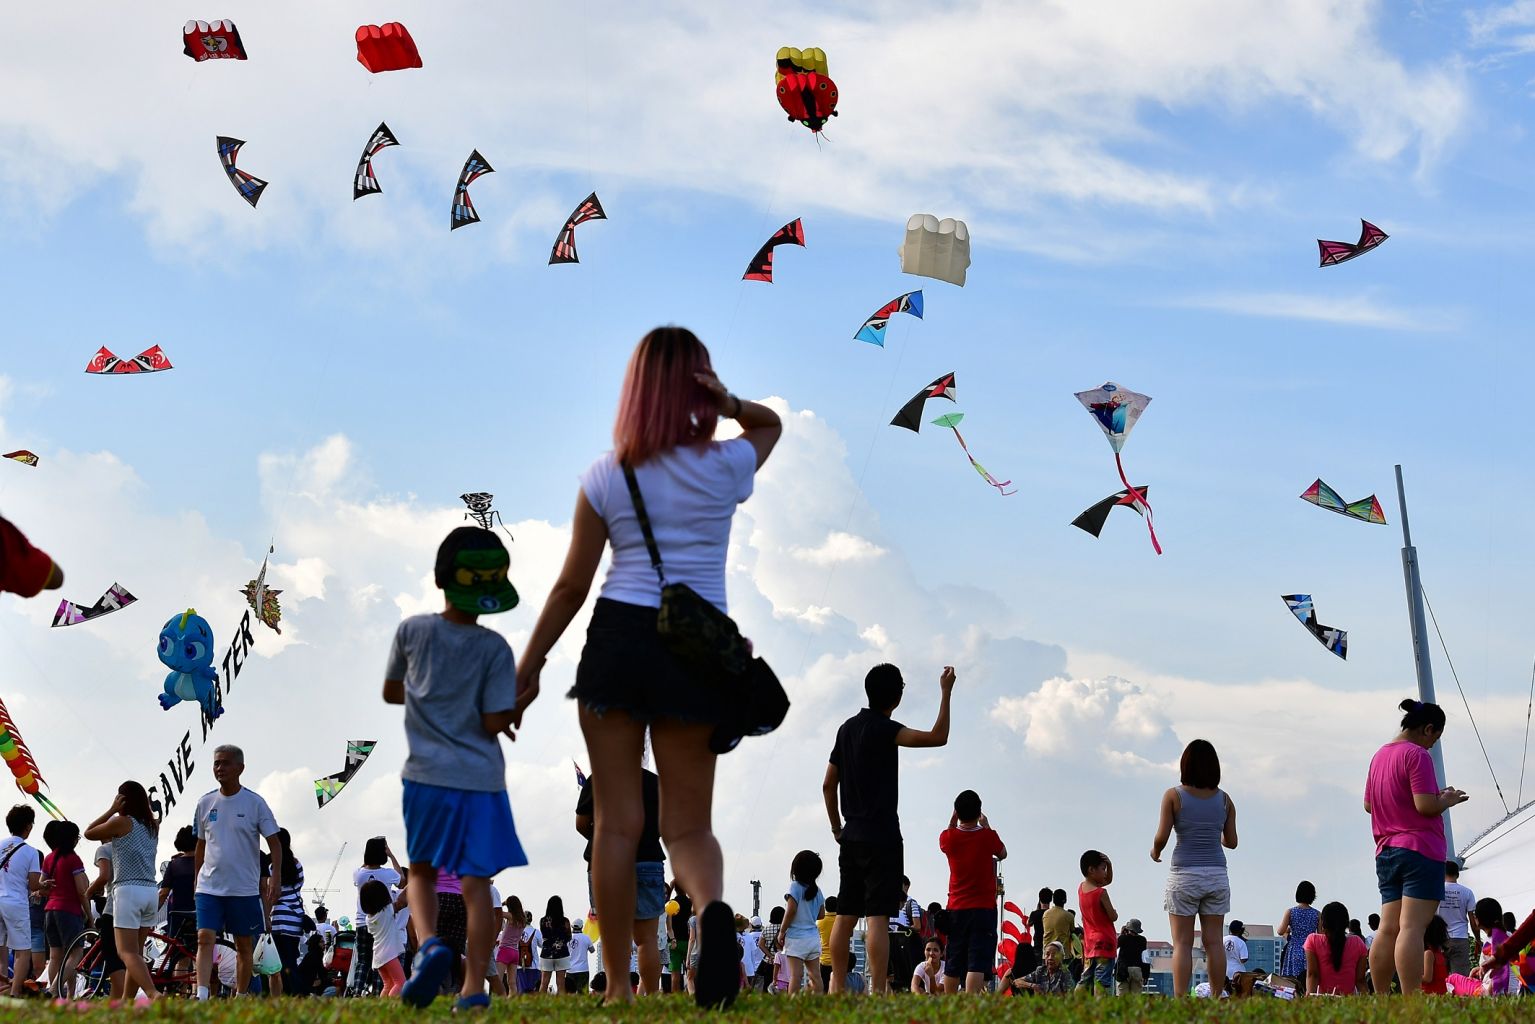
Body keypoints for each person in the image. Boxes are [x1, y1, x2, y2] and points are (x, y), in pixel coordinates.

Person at [516, 328, 781, 1010]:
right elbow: (769, 426)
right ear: (700, 387)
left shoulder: (608, 474)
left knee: (615, 824)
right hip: (697, 649)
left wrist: (531, 664)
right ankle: (710, 910)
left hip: (618, 641)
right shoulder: (724, 465)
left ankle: (615, 987)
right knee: (687, 827)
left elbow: (571, 587)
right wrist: (728, 404)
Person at [384, 526, 528, 1012]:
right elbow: (494, 720)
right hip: (481, 778)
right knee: (476, 884)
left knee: (422, 872)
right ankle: (472, 990)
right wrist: (519, 702)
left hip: (425, 772)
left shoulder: (412, 631)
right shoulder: (495, 648)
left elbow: (392, 691)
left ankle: (429, 946)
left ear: (440, 578)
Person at [823, 662, 955, 994]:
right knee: (878, 917)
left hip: (851, 834)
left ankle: (836, 987)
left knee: (846, 915)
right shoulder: (887, 729)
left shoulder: (846, 729)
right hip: (882, 835)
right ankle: (878, 991)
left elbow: (828, 784)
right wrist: (945, 692)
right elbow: (938, 737)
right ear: (897, 696)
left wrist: (837, 828)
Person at [1364, 699, 1467, 996]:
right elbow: (1425, 806)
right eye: (1435, 738)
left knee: (1388, 928)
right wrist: (1446, 799)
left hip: (1386, 850)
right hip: (1420, 850)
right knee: (1412, 928)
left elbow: (1369, 804)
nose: (1432, 745)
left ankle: (1381, 997)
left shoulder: (1380, 755)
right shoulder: (1416, 755)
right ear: (1428, 729)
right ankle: (1411, 999)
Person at [193, 744, 282, 1001]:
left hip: (243, 889)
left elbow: (275, 844)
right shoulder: (205, 803)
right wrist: (196, 879)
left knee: (244, 945)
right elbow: (200, 845)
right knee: (204, 938)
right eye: (216, 763)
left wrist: (275, 878)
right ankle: (201, 996)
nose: (219, 768)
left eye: (225, 763)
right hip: (209, 887)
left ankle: (241, 996)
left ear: (240, 768)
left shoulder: (255, 803)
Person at [1150, 738, 1237, 996]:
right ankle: (1217, 997)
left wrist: (1155, 851)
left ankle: (1181, 1001)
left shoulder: (1173, 796)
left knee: (1182, 944)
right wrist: (1214, 834)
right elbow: (1231, 842)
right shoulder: (1225, 800)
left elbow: (1162, 837)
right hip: (1216, 875)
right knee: (1214, 943)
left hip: (1184, 875)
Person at [575, 766, 666, 994]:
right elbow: (666, 824)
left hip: (606, 859)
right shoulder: (655, 782)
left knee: (613, 937)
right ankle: (652, 997)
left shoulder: (597, 779)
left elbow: (581, 824)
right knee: (647, 939)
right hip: (648, 860)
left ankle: (617, 994)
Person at [82, 782, 161, 1000]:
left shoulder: (121, 822)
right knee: (136, 954)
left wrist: (111, 810)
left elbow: (88, 833)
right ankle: (126, 1003)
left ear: (122, 800)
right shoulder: (152, 826)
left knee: (126, 952)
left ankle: (153, 993)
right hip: (150, 890)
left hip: (127, 890)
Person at [938, 790, 1005, 994]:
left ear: (957, 812)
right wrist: (987, 826)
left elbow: (947, 833)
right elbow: (1002, 853)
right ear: (979, 812)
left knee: (953, 959)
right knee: (976, 961)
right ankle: (970, 1003)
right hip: (984, 908)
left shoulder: (948, 838)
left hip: (956, 907)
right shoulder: (987, 836)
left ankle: (950, 1003)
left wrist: (952, 820)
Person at [41, 819, 93, 995]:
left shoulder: (49, 858)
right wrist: (90, 917)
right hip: (69, 911)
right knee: (75, 954)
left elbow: (42, 886)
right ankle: (54, 990)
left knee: (56, 956)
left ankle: (66, 995)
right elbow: (81, 891)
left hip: (50, 910)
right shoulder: (73, 859)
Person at [350, 836, 401, 995]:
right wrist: (391, 855)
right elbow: (402, 880)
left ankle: (357, 993)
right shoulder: (388, 874)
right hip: (383, 923)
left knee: (363, 961)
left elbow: (363, 867)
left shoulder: (358, 874)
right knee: (382, 960)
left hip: (362, 922)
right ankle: (379, 993)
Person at [0, 804, 42, 997]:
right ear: (28, 826)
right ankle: (15, 993)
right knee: (22, 951)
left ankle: (2, 990)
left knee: (1, 950)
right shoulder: (31, 852)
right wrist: (44, 886)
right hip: (15, 903)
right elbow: (34, 885)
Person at [777, 850, 825, 995]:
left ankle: (793, 1005)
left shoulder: (795, 886)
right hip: (813, 938)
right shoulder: (817, 891)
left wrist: (782, 931)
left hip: (796, 939)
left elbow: (791, 910)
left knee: (795, 976)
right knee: (815, 976)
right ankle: (818, 1002)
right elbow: (821, 915)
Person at [85, 837, 127, 999]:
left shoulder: (105, 849)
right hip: (140, 902)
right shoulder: (131, 847)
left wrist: (88, 892)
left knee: (113, 957)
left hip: (115, 905)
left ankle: (132, 996)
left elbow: (104, 876)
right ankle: (117, 1001)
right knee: (130, 955)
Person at [266, 828, 305, 997]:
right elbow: (299, 885)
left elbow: (272, 894)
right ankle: (296, 992)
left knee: (279, 961)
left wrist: (266, 915)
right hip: (295, 919)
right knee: (291, 959)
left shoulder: (272, 867)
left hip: (278, 918)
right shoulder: (297, 865)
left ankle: (288, 993)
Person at [1076, 850, 1118, 995]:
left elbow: (1106, 880)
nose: (1105, 873)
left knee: (1085, 978)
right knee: (1102, 981)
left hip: (1090, 943)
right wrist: (1115, 912)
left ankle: (1074, 1002)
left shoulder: (1081, 889)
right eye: (1103, 869)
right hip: (1105, 942)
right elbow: (1113, 916)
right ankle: (1101, 1006)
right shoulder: (1101, 893)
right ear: (1091, 870)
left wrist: (1109, 866)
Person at [1304, 901, 1367, 995]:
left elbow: (1313, 975)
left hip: (1323, 999)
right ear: (1346, 923)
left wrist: (1309, 997)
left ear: (1323, 923)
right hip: (1348, 1000)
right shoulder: (1358, 942)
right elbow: (1360, 980)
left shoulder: (1313, 940)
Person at [359, 880, 409, 996]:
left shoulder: (368, 919)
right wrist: (413, 882)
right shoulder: (386, 911)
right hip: (389, 954)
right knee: (400, 983)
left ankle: (383, 1004)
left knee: (388, 984)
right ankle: (391, 1004)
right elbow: (401, 903)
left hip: (378, 955)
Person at [158, 826, 199, 951]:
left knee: (179, 954)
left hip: (178, 916)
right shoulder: (206, 863)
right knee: (203, 951)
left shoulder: (174, 865)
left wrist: (151, 914)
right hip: (201, 912)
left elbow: (163, 893)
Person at [1437, 860, 1476, 976]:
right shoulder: (1467, 892)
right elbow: (1473, 921)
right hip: (1460, 938)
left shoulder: (1436, 890)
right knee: (1460, 978)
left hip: (1439, 938)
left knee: (1440, 977)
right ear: (1458, 874)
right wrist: (1478, 939)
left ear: (1443, 873)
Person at [1277, 880, 1319, 988]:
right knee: (1308, 979)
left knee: (1291, 981)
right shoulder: (1317, 914)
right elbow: (1321, 935)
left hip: (1294, 949)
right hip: (1310, 949)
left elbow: (1280, 931)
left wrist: (1288, 931)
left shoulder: (1290, 912)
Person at [1472, 897, 1511, 995]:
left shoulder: (1495, 938)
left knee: (1453, 979)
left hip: (1493, 990)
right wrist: (1478, 969)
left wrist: (1487, 993)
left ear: (1481, 918)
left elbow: (1500, 968)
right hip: (1493, 986)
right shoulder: (1503, 935)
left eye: (1475, 915)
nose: (1474, 917)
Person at [539, 897, 572, 994]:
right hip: (562, 953)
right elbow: (569, 937)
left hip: (546, 953)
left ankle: (540, 1002)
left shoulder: (543, 921)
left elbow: (544, 935)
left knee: (544, 983)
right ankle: (561, 1003)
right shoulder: (565, 921)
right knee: (561, 983)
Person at [1116, 919, 1147, 995]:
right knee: (1136, 997)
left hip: (1123, 969)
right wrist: (1146, 975)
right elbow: (1145, 958)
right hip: (1137, 969)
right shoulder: (1142, 940)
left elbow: (1115, 946)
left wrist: (1121, 934)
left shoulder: (1123, 938)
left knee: (1123, 997)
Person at [1422, 915, 1449, 994]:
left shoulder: (1428, 954)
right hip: (1440, 993)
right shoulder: (1439, 954)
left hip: (1429, 994)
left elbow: (1427, 978)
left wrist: (1410, 976)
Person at [567, 918, 594, 994]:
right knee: (583, 993)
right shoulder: (586, 937)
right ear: (582, 927)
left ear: (572, 927)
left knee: (570, 993)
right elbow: (592, 950)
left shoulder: (567, 938)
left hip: (570, 970)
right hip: (583, 969)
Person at [1042, 889, 1071, 957]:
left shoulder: (1046, 914)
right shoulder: (1069, 916)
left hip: (1047, 954)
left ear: (1053, 900)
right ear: (1065, 900)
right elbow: (1072, 931)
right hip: (1062, 954)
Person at [815, 897, 836, 989]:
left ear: (825, 907)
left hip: (824, 960)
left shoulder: (820, 921)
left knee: (824, 988)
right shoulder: (840, 921)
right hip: (838, 960)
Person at [1223, 920, 1248, 990]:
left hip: (1224, 972)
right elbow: (1243, 959)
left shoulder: (1222, 940)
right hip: (1238, 973)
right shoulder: (1241, 942)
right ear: (1240, 930)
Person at [1029, 887, 1051, 966]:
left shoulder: (1034, 914)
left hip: (1038, 946)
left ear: (1040, 899)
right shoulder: (1052, 914)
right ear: (1050, 900)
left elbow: (1029, 923)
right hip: (1050, 946)